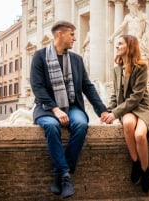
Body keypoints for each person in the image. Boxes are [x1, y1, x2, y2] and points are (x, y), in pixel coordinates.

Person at [30, 21, 108, 198]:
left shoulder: (76, 59)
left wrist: (102, 110)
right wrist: (55, 109)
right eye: (71, 34)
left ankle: (62, 173)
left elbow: (87, 87)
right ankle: (65, 175)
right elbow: (37, 86)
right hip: (46, 108)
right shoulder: (39, 56)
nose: (74, 38)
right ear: (59, 34)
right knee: (51, 126)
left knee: (81, 124)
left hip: (72, 106)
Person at [101, 35, 149, 193]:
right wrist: (108, 111)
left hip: (143, 107)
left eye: (120, 43)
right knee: (128, 124)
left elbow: (137, 96)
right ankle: (135, 162)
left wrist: (115, 113)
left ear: (129, 46)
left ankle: (145, 170)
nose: (117, 46)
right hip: (127, 109)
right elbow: (115, 95)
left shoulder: (141, 66)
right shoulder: (116, 69)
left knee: (140, 136)